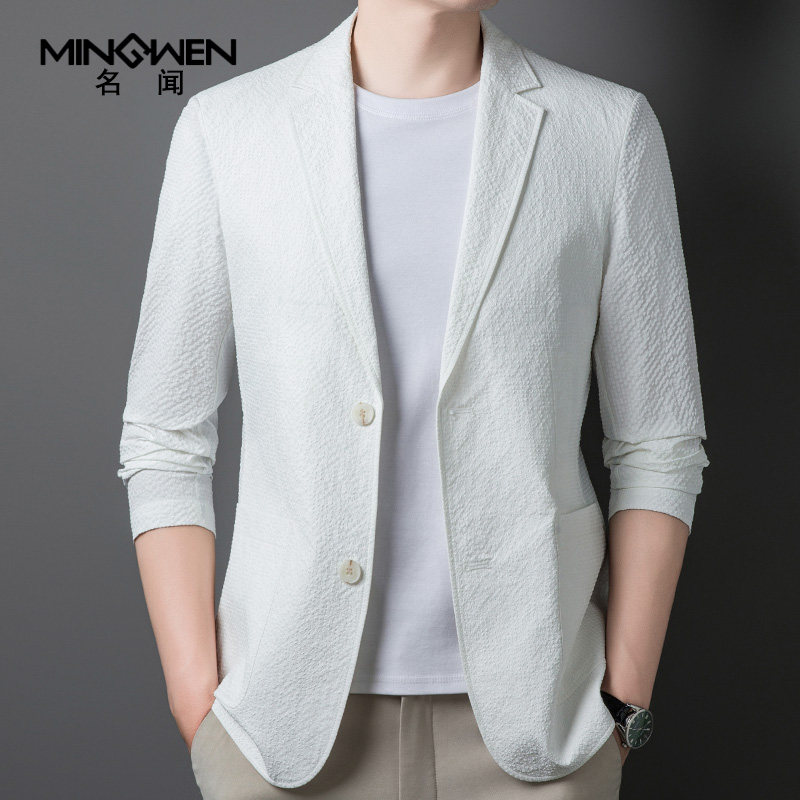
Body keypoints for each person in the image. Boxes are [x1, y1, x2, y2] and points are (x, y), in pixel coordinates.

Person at [117, 2, 709, 798]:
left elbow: (658, 443)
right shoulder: (229, 130)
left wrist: (622, 700)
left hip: (542, 733)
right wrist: (198, 703)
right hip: (283, 734)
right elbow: (166, 437)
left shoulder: (604, 131)